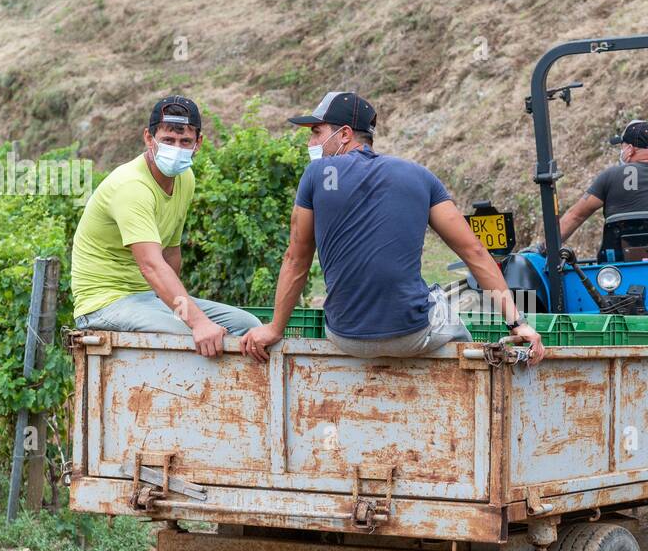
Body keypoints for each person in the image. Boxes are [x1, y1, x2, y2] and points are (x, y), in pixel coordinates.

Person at [242, 91, 543, 362]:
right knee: (446, 309)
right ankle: (463, 385)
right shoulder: (419, 176)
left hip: (345, 336)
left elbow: (296, 258)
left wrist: (275, 328)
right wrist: (518, 323)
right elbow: (474, 252)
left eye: (316, 133)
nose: (311, 144)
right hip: (411, 334)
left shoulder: (317, 174)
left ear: (344, 134)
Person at [71, 95, 260, 357]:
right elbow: (151, 265)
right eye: (168, 140)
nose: (176, 148)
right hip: (105, 303)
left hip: (148, 299)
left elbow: (171, 253)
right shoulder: (132, 187)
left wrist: (178, 308)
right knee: (188, 336)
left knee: (247, 326)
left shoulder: (185, 178)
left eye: (185, 142)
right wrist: (197, 321)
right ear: (149, 139)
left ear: (198, 143)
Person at [554, 120, 648, 247]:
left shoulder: (609, 177)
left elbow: (576, 216)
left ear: (629, 149)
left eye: (622, 146)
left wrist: (544, 249)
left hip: (620, 264)